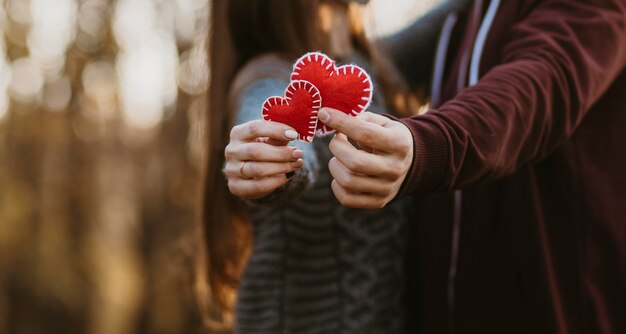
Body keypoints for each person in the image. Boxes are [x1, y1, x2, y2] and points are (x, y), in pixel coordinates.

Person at [316, 0, 626, 333]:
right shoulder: (463, 15)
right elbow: (371, 61)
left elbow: (535, 88)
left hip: (555, 310)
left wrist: (427, 147)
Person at [201, 0, 414, 333]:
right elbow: (270, 119)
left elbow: (452, 13)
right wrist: (275, 160)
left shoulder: (371, 64)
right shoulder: (266, 75)